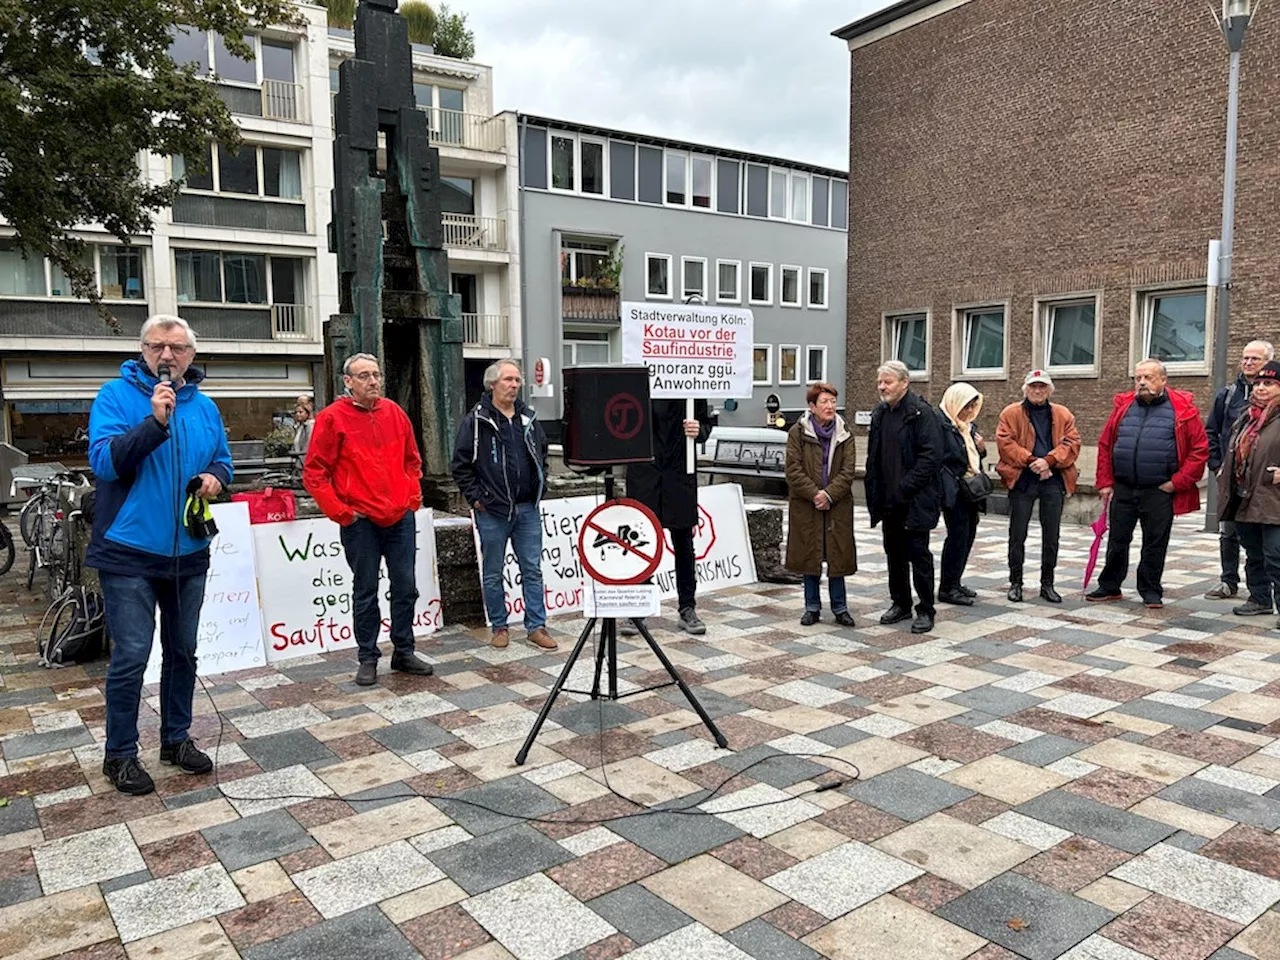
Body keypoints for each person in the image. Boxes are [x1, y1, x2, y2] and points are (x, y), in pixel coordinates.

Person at [86, 315, 232, 795]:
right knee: (130, 655)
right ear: (142, 351)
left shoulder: (206, 407)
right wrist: (154, 422)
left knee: (183, 651)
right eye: (157, 347)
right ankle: (120, 754)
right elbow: (105, 462)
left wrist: (215, 478)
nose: (167, 356)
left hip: (188, 550)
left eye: (177, 348)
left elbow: (223, 462)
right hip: (128, 551)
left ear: (191, 355)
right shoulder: (115, 396)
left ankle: (175, 739)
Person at [303, 353, 434, 685]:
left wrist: (411, 497)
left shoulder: (394, 413)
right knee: (365, 589)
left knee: (405, 586)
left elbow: (412, 460)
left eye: (376, 374)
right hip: (360, 521)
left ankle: (403, 650)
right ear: (348, 382)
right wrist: (343, 512)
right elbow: (315, 473)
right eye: (364, 376)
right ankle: (368, 656)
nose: (373, 381)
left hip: (398, 516)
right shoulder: (332, 419)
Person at [451, 359, 557, 651]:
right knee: (494, 572)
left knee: (532, 570)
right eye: (508, 380)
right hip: (493, 512)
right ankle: (500, 627)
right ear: (492, 384)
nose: (514, 385)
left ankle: (536, 626)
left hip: (527, 509)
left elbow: (543, 455)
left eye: (517, 380)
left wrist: (541, 484)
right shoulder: (476, 420)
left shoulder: (528, 418)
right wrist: (476, 498)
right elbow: (460, 465)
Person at [1089, 358, 1208, 608]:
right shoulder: (1123, 407)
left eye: (1148, 377)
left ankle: (1150, 589)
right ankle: (1110, 585)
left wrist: (1176, 483)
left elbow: (1199, 450)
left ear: (1163, 380)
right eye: (1138, 378)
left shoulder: (1183, 410)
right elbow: (1105, 445)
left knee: (1155, 542)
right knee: (1117, 540)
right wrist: (1105, 482)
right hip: (1123, 487)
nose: (1142, 382)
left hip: (1159, 490)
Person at [865, 360, 943, 634]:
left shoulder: (921, 413)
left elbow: (932, 457)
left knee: (918, 556)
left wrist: (905, 486)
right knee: (893, 554)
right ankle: (900, 603)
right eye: (879, 382)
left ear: (905, 382)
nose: (882, 387)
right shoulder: (880, 414)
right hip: (888, 502)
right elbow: (874, 456)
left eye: (887, 382)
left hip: (914, 501)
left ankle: (926, 609)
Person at [625, 399, 712, 635]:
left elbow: (705, 424)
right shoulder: (638, 385)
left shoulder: (689, 388)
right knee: (641, 544)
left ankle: (687, 608)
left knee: (684, 544)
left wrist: (699, 430)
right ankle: (638, 611)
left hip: (679, 474)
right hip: (645, 475)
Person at [996, 371, 1082, 603]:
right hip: (1022, 479)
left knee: (1052, 534)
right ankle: (1016, 582)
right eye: (1033, 386)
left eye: (1042, 387)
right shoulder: (1011, 413)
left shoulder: (1062, 414)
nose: (1037, 391)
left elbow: (1072, 442)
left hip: (1053, 479)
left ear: (1049, 390)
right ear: (1025, 389)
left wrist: (1050, 460)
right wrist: (1032, 461)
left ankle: (1048, 584)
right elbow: (1005, 443)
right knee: (1017, 534)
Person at [1205, 340, 1275, 601]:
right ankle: (1228, 581)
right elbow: (1211, 432)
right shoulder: (1228, 394)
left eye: (1254, 359)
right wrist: (1217, 466)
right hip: (1232, 480)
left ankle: (1264, 592)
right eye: (1245, 358)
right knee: (1230, 532)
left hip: (1265, 484)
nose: (1248, 363)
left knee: (1265, 542)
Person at [785, 382, 858, 626]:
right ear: (812, 406)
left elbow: (848, 471)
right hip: (806, 505)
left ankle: (840, 607)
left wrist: (828, 495)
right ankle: (811, 606)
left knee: (836, 555)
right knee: (810, 554)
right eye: (824, 402)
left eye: (833, 402)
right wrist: (815, 494)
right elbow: (793, 470)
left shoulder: (845, 432)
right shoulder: (798, 432)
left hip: (837, 505)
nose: (830, 406)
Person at [1216, 358, 1280, 626]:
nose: (1261, 388)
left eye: (1269, 384)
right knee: (1253, 551)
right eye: (1258, 383)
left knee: (1276, 554)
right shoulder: (1247, 415)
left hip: (1273, 498)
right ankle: (1260, 598)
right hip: (1243, 497)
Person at [937, 382, 986, 606]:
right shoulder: (942, 425)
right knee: (957, 537)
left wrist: (982, 449)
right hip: (954, 491)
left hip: (971, 491)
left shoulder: (968, 427)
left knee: (968, 536)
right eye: (966, 407)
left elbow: (975, 458)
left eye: (972, 407)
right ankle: (947, 587)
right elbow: (943, 458)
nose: (968, 412)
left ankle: (955, 582)